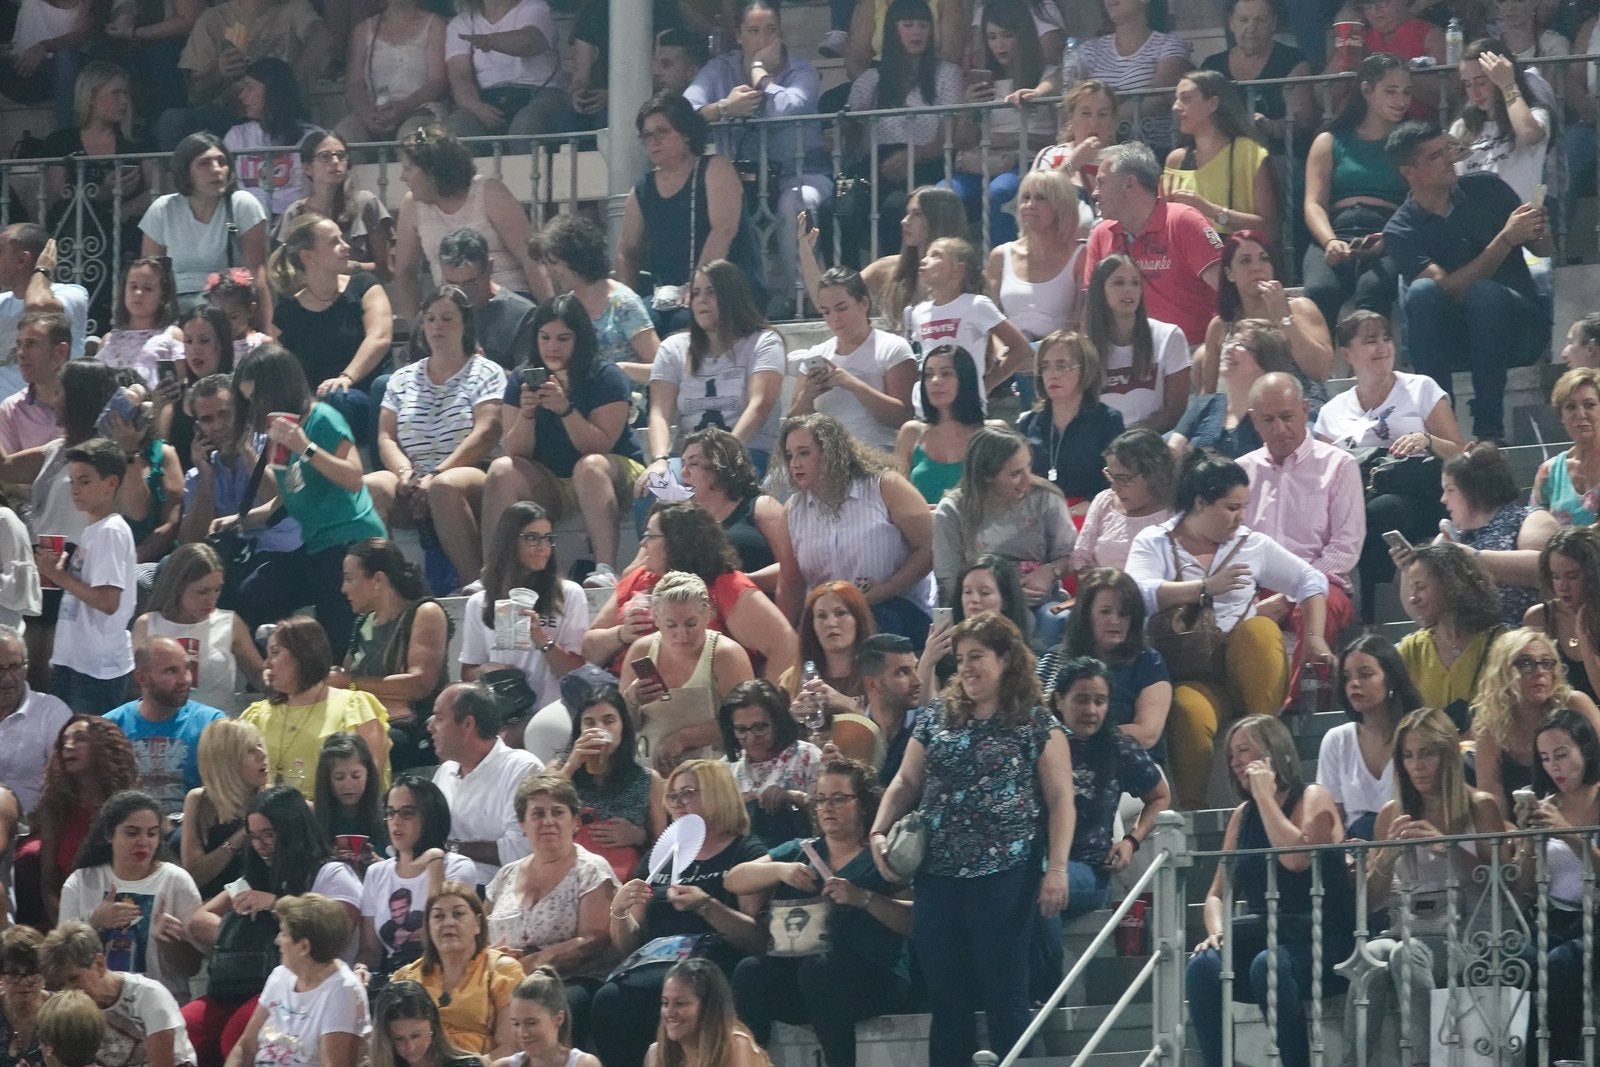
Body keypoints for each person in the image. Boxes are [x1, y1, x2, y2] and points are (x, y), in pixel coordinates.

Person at [869, 613, 1071, 1067]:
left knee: (1006, 994)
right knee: (946, 996)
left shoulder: (1037, 722)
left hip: (1006, 873)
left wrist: (1057, 869)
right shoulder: (937, 715)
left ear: (1006, 659)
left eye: (976, 656)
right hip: (937, 874)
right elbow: (906, 781)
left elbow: (1061, 801)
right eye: (960, 659)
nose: (966, 667)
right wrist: (878, 830)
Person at [1125, 451, 1331, 808]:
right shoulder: (1155, 540)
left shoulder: (1251, 544)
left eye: (1244, 507)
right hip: (1191, 672)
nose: (1240, 517)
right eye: (1231, 508)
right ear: (1200, 503)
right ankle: (1194, 814)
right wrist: (1205, 588)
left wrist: (1313, 638)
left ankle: (1272, 777)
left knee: (1261, 631)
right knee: (1187, 711)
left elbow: (1311, 580)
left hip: (1247, 671)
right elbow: (1137, 594)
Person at [1185, 715, 1354, 1067]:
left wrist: (1265, 798)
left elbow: (1296, 859)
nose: (1236, 762)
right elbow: (1216, 894)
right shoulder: (1242, 816)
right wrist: (1215, 932)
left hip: (1323, 938)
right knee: (1203, 965)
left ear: (1275, 752)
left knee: (1268, 965)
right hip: (1268, 935)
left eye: (1244, 751)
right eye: (1231, 755)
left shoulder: (1313, 797)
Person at [1346, 707, 1506, 1067]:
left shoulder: (1480, 806)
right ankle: (1353, 1061)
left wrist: (1447, 848)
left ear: (1446, 755)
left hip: (1469, 933)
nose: (1416, 765)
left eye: (1426, 754)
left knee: (1407, 954)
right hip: (1407, 928)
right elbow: (1371, 902)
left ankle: (1427, 1060)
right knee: (1368, 955)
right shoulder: (1392, 813)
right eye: (1407, 755)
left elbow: (1499, 885)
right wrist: (1387, 857)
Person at [725, 755, 909, 1067]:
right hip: (805, 979)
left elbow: (912, 920)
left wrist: (863, 898)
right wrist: (780, 870)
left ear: (864, 804)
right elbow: (733, 880)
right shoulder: (802, 849)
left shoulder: (881, 856)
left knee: (820, 970)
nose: (827, 808)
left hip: (872, 977)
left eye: (839, 799)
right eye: (821, 799)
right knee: (751, 972)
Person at [1384, 119, 1552, 443]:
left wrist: (1538, 229)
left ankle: (1490, 433)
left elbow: (1543, 249)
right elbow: (1446, 290)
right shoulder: (1400, 230)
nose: (1449, 159)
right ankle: (1442, 430)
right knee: (1422, 292)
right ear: (1409, 172)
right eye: (1435, 156)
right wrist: (1505, 239)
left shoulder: (1488, 187)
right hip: (1456, 339)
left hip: (1518, 330)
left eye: (1446, 150)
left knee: (1485, 295)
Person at [591, 759, 766, 1067]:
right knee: (609, 998)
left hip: (710, 961)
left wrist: (707, 906)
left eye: (688, 793)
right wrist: (619, 912)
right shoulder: (660, 858)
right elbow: (630, 946)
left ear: (717, 793)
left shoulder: (745, 852)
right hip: (657, 959)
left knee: (668, 990)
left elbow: (755, 939)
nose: (678, 803)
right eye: (672, 796)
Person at [220, 343, 387, 656]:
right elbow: (285, 498)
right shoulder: (279, 432)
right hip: (317, 548)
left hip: (351, 544)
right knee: (254, 591)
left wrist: (305, 447)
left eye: (256, 398)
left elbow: (353, 477)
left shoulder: (322, 418)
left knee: (338, 631)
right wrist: (240, 519)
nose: (253, 408)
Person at [183, 787, 363, 1067]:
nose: (261, 845)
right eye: (254, 836)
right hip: (245, 982)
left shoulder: (332, 874)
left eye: (268, 834)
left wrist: (276, 904)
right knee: (184, 1030)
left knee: (235, 1035)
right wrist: (250, 939)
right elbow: (199, 920)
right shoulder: (256, 873)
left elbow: (336, 931)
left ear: (291, 829)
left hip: (310, 986)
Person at [1314, 310, 1467, 618]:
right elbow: (1321, 475)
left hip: (1418, 494)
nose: (1382, 347)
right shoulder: (1331, 412)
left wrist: (1426, 439)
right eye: (1371, 340)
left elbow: (1459, 454)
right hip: (1357, 497)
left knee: (1381, 511)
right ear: (1347, 354)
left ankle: (1372, 612)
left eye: (1386, 338)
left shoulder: (1421, 388)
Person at [484, 295, 643, 588]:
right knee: (501, 470)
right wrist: (527, 413)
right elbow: (516, 451)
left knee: (589, 466)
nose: (552, 347)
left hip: (612, 472)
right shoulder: (521, 379)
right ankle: (493, 573)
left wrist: (565, 409)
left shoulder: (606, 376)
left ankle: (605, 568)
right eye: (544, 338)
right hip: (553, 480)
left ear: (579, 339)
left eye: (563, 338)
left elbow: (600, 446)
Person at [1034, 656, 1168, 995]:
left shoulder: (1117, 747)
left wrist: (1131, 841)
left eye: (1100, 701)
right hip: (1034, 862)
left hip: (1088, 870)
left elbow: (1160, 796)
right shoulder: (1038, 742)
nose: (1091, 710)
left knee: (1039, 890)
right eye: (1081, 699)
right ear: (1059, 700)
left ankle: (1046, 996)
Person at [683, 0, 828, 309]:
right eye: (753, 31)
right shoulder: (720, 68)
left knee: (795, 203)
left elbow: (785, 109)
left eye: (770, 30)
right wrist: (725, 108)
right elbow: (683, 113)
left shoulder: (802, 70)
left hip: (800, 173)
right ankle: (730, 303)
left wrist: (759, 71)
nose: (763, 39)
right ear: (738, 35)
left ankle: (802, 300)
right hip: (740, 177)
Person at [370, 285, 505, 586]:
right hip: (415, 478)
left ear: (465, 324)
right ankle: (388, 585)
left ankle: (474, 584)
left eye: (446, 318)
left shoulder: (486, 372)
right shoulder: (402, 378)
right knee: (372, 486)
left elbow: (487, 432)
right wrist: (405, 474)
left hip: (469, 473)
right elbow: (386, 437)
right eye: (430, 318)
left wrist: (435, 475)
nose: (436, 326)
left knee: (443, 487)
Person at [1237, 372, 1365, 681]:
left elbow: (1345, 547)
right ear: (1253, 420)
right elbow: (1231, 544)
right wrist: (1248, 600)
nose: (1279, 428)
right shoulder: (1240, 471)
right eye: (1268, 420)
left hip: (1323, 583)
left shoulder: (1339, 464)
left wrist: (1293, 593)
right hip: (1255, 585)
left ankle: (1297, 703)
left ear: (1305, 410)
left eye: (1287, 417)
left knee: (1313, 609)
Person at [584, 502, 796, 683]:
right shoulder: (637, 578)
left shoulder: (724, 584)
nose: (643, 543)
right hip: (624, 695)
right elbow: (588, 648)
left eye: (650, 536)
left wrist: (764, 707)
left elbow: (784, 644)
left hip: (703, 699)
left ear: (677, 542)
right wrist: (621, 634)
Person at [778, 414, 934, 647]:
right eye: (790, 455)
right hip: (830, 620)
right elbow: (791, 583)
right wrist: (788, 640)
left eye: (804, 453)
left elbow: (929, 547)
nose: (795, 463)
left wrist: (886, 590)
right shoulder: (792, 511)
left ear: (832, 452)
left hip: (897, 610)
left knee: (877, 625)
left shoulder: (886, 486)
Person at [617, 93, 765, 334]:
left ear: (686, 134)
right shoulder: (642, 189)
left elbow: (724, 230)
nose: (653, 141)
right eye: (647, 135)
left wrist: (697, 287)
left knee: (686, 322)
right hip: (668, 295)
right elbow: (627, 251)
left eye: (662, 132)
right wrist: (626, 303)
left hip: (726, 288)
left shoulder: (716, 168)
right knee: (638, 325)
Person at [643, 260, 784, 492]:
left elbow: (760, 405)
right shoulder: (673, 348)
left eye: (711, 292)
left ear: (732, 296)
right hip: (688, 458)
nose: (701, 300)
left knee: (714, 485)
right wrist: (659, 459)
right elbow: (659, 412)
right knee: (654, 488)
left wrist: (722, 456)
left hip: (746, 453)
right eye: (696, 293)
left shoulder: (764, 342)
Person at [840, 0, 966, 259]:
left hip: (927, 163)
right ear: (892, 30)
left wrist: (913, 156)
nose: (916, 32)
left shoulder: (947, 74)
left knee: (896, 207)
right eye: (907, 25)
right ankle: (847, 277)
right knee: (843, 207)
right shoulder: (871, 79)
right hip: (878, 164)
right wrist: (845, 127)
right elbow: (852, 130)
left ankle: (899, 275)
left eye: (923, 25)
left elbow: (946, 136)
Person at [932, 426, 1075, 646]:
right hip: (978, 602)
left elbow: (1071, 554)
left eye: (1028, 467)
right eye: (1015, 474)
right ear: (987, 475)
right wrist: (1000, 595)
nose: (1027, 480)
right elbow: (950, 582)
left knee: (1052, 621)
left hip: (1039, 599)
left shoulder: (1045, 498)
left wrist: (1049, 572)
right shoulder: (952, 511)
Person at [40, 63, 156, 333]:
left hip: (127, 234)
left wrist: (124, 208)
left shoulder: (138, 140)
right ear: (91, 96)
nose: (124, 101)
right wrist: (100, 193)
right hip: (77, 238)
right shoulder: (63, 141)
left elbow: (157, 191)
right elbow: (54, 203)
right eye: (116, 93)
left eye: (126, 94)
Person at [459, 502, 586, 750]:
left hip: (552, 709)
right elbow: (468, 671)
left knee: (506, 742)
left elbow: (575, 671)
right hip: (503, 710)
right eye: (532, 538)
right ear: (509, 541)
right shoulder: (480, 602)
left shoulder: (568, 594)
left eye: (548, 538)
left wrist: (540, 637)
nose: (543, 547)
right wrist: (486, 669)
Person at [1300, 52, 1410, 334]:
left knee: (1374, 286)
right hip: (1336, 229)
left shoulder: (1411, 142)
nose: (1401, 100)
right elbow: (1314, 203)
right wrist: (1330, 241)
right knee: (1321, 289)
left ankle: (1374, 357)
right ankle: (1318, 361)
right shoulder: (1330, 140)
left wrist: (1388, 237)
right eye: (1391, 91)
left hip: (1390, 230)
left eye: (1406, 92)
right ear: (1366, 90)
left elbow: (1420, 200)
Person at [57, 790, 203, 1003]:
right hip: (92, 1007)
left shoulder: (176, 881)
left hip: (161, 1005)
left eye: (152, 834)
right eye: (132, 833)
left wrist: (170, 944)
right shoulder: (82, 881)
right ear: (109, 834)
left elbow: (193, 968)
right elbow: (61, 961)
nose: (144, 842)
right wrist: (94, 921)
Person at [483, 775, 615, 1009]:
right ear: (523, 824)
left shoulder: (591, 869)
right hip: (499, 982)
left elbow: (594, 941)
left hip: (566, 982)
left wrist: (532, 964)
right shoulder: (504, 875)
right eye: (537, 814)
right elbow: (478, 937)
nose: (548, 821)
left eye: (557, 812)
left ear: (575, 821)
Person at [1514, 706, 1600, 1064]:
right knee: (1519, 960)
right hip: (1554, 918)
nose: (1555, 767)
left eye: (1562, 755)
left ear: (1586, 750)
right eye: (1546, 758)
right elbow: (1524, 890)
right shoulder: (1546, 805)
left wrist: (1569, 833)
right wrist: (1529, 842)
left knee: (1561, 963)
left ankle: (1558, 1059)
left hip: (1594, 919)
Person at [268, 211, 394, 449]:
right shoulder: (287, 313)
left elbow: (379, 337)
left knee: (349, 395)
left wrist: (346, 378)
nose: (346, 246)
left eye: (342, 239)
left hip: (372, 395)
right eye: (334, 242)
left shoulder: (363, 285)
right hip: (323, 406)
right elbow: (282, 369)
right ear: (308, 256)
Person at [394, 125, 547, 319]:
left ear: (432, 172)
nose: (402, 177)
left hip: (507, 304)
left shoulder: (489, 192)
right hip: (454, 309)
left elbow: (531, 257)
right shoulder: (412, 205)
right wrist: (416, 327)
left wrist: (549, 314)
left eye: (408, 169)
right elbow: (405, 273)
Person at [1082, 141, 1222, 348]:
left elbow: (1229, 290)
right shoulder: (1101, 234)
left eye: (1101, 182)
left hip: (1191, 351)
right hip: (1124, 355)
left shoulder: (1182, 221)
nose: (1095, 193)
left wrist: (1213, 351)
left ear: (1129, 184)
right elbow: (1091, 307)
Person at [33, 438, 136, 715]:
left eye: (85, 481)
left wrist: (58, 576)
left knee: (88, 739)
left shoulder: (111, 531)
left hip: (97, 668)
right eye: (72, 482)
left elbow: (108, 601)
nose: (75, 490)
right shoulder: (95, 530)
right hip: (77, 660)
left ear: (111, 483)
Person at [619, 572, 756, 773]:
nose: (682, 635)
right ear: (655, 618)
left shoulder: (726, 655)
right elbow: (619, 725)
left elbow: (746, 723)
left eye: (691, 624)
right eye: (671, 625)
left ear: (708, 614)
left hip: (714, 773)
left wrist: (684, 739)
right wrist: (632, 700)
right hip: (648, 772)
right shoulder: (641, 650)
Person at [241, 615, 390, 799]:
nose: (267, 664)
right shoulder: (256, 715)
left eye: (275, 652)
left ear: (304, 654)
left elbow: (370, 785)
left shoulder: (355, 707)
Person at [223, 893, 370, 1067]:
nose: (277, 940)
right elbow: (246, 1047)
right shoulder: (280, 976)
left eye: (284, 933)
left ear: (304, 947)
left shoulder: (343, 991)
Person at [388, 880, 527, 1059]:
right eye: (439, 916)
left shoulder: (504, 971)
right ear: (428, 927)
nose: (448, 922)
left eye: (458, 914)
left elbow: (511, 1048)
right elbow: (388, 1047)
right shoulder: (406, 978)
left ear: (477, 923)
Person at [785, 267, 915, 455]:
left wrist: (853, 384)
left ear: (864, 303)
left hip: (876, 454)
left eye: (842, 308)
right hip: (827, 458)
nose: (834, 318)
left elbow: (903, 417)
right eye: (826, 312)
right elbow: (793, 424)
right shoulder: (818, 353)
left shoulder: (893, 347)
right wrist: (807, 396)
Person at [24, 716, 137, 929]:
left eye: (79, 739)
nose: (68, 746)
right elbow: (48, 884)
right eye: (64, 741)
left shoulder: (129, 807)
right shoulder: (55, 809)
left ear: (103, 747)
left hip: (125, 914)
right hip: (68, 920)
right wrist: (71, 926)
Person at [666, 428, 797, 611]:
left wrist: (742, 582)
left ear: (721, 468)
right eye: (683, 464)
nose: (684, 473)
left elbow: (794, 566)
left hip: (761, 609)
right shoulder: (688, 520)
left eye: (694, 464)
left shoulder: (760, 506)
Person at [359, 776, 478, 977]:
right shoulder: (376, 873)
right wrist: (360, 969)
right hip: (395, 979)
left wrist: (435, 859)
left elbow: (440, 930)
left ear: (430, 817)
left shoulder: (458, 867)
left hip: (445, 974)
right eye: (390, 813)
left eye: (407, 813)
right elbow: (370, 950)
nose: (395, 821)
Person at [1470, 626, 1600, 811]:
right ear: (1503, 671)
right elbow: (1492, 807)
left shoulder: (1574, 703)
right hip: (1523, 824)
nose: (1540, 672)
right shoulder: (1490, 728)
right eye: (1526, 663)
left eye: (1546, 663)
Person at [1043, 568, 1172, 752]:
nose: (1114, 620)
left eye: (1123, 614)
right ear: (1086, 615)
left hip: (1129, 759)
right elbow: (1034, 720)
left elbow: (1147, 734)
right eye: (1105, 612)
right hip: (1061, 757)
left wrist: (1084, 738)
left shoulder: (1149, 662)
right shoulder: (1056, 658)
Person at [140, 135, 270, 316]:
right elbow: (150, 274)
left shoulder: (241, 204)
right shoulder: (163, 208)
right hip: (174, 306)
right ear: (186, 172)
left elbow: (256, 273)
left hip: (226, 308)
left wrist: (263, 328)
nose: (216, 169)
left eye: (221, 162)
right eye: (204, 163)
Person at [429, 683, 544, 887]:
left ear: (468, 724)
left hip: (498, 891)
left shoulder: (522, 768)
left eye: (439, 718)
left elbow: (522, 849)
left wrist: (450, 848)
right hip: (440, 888)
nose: (430, 726)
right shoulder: (445, 771)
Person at [1196, 231, 1333, 401]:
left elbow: (1320, 372)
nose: (1256, 267)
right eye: (1245, 261)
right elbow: (1208, 393)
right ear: (1230, 273)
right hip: (1239, 410)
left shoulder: (1300, 308)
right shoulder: (1221, 325)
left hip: (1298, 407)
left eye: (1264, 259)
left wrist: (1284, 318)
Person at [38, 921, 197, 1067]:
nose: (69, 990)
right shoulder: (70, 1012)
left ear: (99, 964)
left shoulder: (150, 996)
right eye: (61, 985)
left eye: (74, 978)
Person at [1437, 444, 1558, 626]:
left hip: (1520, 634)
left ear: (1474, 489)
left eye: (1450, 489)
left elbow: (1546, 567)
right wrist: (1411, 570)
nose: (1443, 499)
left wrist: (1472, 558)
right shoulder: (1450, 538)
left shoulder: (1529, 518)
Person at [133, 544, 264, 712]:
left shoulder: (230, 622)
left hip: (219, 720)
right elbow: (135, 683)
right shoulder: (147, 624)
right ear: (178, 587)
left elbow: (257, 675)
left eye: (217, 589)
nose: (211, 599)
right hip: (166, 720)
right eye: (202, 592)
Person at [1317, 633, 1422, 840]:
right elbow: (1333, 815)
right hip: (1356, 847)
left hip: (1410, 839)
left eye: (1365, 674)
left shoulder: (1418, 734)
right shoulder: (1336, 739)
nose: (1354, 684)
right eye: (1347, 677)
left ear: (1390, 679)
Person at [104, 639, 227, 815]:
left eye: (187, 668)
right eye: (171, 671)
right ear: (142, 678)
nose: (185, 679)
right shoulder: (111, 726)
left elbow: (226, 794)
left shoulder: (212, 723)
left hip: (194, 826)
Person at [903, 238, 1033, 399]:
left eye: (935, 255)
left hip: (967, 405)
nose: (923, 260)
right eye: (926, 255)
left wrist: (985, 386)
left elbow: (1021, 348)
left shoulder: (976, 305)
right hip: (929, 405)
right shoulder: (918, 312)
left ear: (958, 269)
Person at [1395, 543, 1506, 728]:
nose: (1413, 598)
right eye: (1411, 588)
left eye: (1420, 587)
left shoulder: (1501, 644)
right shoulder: (1411, 650)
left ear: (1451, 585)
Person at [531, 216, 659, 377]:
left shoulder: (624, 303)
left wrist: (616, 371)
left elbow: (661, 369)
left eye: (554, 263)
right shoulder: (565, 306)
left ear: (577, 256)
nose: (549, 272)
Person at [1015, 330, 1124, 515]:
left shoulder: (1108, 421)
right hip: (1040, 516)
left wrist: (1068, 515)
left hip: (1092, 515)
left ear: (1085, 370)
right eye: (1045, 366)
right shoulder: (1029, 423)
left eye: (1061, 366)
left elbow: (1117, 483)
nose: (1052, 374)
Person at [1081, 253, 1191, 434]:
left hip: (1152, 439)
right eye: (1118, 283)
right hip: (1100, 441)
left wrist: (1132, 438)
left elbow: (1175, 410)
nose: (1129, 289)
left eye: (1135, 283)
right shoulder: (1083, 349)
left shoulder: (1169, 336)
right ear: (1100, 290)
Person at [1162, 71, 1277, 243]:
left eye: (1186, 99)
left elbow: (1270, 229)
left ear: (1213, 103)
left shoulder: (1250, 154)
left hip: (1232, 254)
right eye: (1176, 99)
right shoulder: (1175, 160)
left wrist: (1210, 210)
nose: (1175, 107)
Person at [984, 170, 1083, 360]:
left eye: (1041, 198)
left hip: (1061, 359)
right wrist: (1003, 355)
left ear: (1061, 205)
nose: (1030, 205)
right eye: (1025, 197)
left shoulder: (1080, 256)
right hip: (1008, 361)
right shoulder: (1000, 256)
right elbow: (987, 319)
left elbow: (1080, 325)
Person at [442, 0, 570, 140]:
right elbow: (460, 76)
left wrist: (488, 40)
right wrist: (475, 106)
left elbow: (531, 43)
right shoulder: (461, 22)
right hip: (488, 97)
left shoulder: (535, 7)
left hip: (542, 92)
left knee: (525, 125)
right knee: (457, 128)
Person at [278, 131, 394, 282]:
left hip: (360, 292)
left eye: (341, 155)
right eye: (325, 156)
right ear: (307, 168)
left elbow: (387, 269)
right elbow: (284, 269)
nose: (335, 161)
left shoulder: (365, 203)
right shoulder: (295, 213)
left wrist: (352, 267)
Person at [893, 345, 1001, 507]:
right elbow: (896, 499)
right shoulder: (911, 433)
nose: (935, 381)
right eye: (928, 375)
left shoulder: (994, 433)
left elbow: (1011, 496)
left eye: (946, 373)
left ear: (965, 379)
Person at [1198, 0, 1316, 147]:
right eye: (1243, 20)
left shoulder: (1294, 61)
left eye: (1260, 20)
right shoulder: (1212, 65)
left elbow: (1303, 122)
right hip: (1225, 152)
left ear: (1273, 23)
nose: (1251, 28)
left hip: (1278, 154)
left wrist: (1270, 127)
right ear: (1231, 23)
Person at [719, 680, 821, 849]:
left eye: (760, 728)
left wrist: (791, 797)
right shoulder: (726, 768)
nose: (751, 738)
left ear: (778, 722)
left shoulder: (808, 757)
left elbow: (830, 818)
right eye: (741, 730)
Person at [1450, 39, 1552, 203]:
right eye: (1467, 85)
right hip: (1478, 214)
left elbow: (1529, 134)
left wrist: (1507, 85)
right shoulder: (1462, 127)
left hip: (1521, 212)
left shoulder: (1535, 114)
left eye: (1481, 82)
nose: (1474, 92)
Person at [179, 719, 269, 901]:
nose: (262, 755)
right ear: (225, 761)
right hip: (210, 902)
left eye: (260, 745)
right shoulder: (200, 800)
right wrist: (241, 835)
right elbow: (194, 876)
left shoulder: (273, 799)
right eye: (249, 750)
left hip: (259, 901)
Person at [336, 0, 448, 143]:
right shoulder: (363, 29)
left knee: (410, 138)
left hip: (421, 108)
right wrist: (367, 113)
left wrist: (403, 107)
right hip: (374, 110)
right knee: (345, 135)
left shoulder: (434, 24)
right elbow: (354, 84)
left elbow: (437, 81)